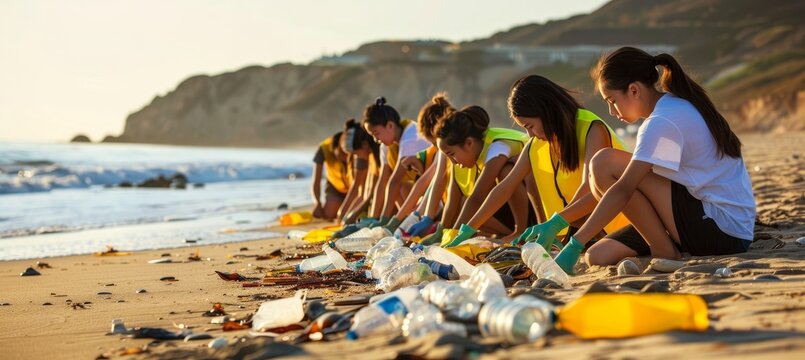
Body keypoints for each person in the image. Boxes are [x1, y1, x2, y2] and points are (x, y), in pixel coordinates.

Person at [552, 47, 755, 274]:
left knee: (603, 163)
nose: (611, 111)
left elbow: (623, 189)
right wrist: (563, 226)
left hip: (721, 229)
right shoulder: (673, 106)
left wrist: (575, 242)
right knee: (597, 255)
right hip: (710, 219)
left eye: (612, 100)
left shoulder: (662, 121)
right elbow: (631, 186)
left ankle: (664, 250)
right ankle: (664, 244)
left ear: (634, 90)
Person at [452, 75, 632, 250]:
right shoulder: (536, 144)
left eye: (530, 126)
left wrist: (554, 224)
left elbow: (590, 190)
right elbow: (505, 187)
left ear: (547, 112)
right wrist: (470, 227)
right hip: (577, 230)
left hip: (623, 225)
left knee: (597, 256)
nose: (529, 135)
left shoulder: (591, 128)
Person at [427, 105, 531, 246]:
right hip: (512, 207)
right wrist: (446, 234)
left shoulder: (497, 147)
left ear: (469, 143)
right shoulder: (469, 156)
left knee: (505, 171)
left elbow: (477, 198)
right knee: (465, 206)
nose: (452, 162)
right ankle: (505, 235)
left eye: (452, 154)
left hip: (537, 207)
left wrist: (459, 235)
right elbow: (454, 203)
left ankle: (520, 231)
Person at [382, 94, 454, 234]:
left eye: (433, 142)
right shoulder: (440, 151)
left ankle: (441, 226)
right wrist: (408, 218)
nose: (436, 146)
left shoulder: (448, 149)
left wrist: (421, 218)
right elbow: (425, 182)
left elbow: (434, 183)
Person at [360, 97, 431, 228]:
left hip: (433, 190)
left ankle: (401, 221)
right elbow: (383, 181)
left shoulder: (410, 136)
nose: (376, 140)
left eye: (376, 133)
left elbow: (395, 180)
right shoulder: (386, 145)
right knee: (398, 186)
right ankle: (404, 219)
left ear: (390, 126)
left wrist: (385, 219)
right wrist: (374, 218)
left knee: (397, 184)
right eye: (372, 136)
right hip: (419, 190)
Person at [337, 119, 381, 224]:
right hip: (372, 204)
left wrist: (350, 217)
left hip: (380, 207)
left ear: (365, 144)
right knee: (344, 219)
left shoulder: (378, 159)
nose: (355, 158)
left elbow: (370, 195)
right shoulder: (369, 158)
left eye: (356, 153)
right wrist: (344, 215)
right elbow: (362, 194)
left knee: (348, 221)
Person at [311, 131, 350, 221]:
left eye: (347, 152)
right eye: (342, 152)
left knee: (350, 216)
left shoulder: (354, 148)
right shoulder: (324, 148)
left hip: (355, 187)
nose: (346, 155)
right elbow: (316, 180)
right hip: (335, 186)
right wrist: (317, 203)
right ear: (334, 149)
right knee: (329, 214)